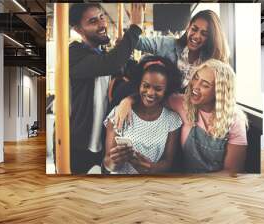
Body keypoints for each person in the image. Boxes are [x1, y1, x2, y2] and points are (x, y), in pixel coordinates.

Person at [115, 59, 247, 174]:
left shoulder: (235, 119)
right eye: (196, 78)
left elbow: (232, 171)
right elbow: (152, 95)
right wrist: (128, 101)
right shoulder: (181, 102)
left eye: (205, 85)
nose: (195, 86)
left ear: (219, 93)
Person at [68, 3, 144, 174]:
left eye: (102, 17)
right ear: (79, 30)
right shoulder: (73, 54)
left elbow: (128, 74)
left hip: (103, 142)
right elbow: (112, 63)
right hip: (77, 144)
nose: (102, 24)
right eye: (93, 21)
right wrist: (135, 28)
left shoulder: (102, 55)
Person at [103, 56, 183, 174]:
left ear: (167, 90)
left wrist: (152, 169)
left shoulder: (172, 120)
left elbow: (167, 163)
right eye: (146, 85)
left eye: (158, 88)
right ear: (139, 84)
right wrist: (114, 161)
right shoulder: (120, 113)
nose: (150, 93)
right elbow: (107, 163)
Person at [135, 10, 230, 87]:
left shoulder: (211, 63)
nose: (196, 36)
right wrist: (136, 25)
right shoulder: (168, 44)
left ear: (210, 39)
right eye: (194, 29)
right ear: (188, 27)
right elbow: (137, 43)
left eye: (204, 34)